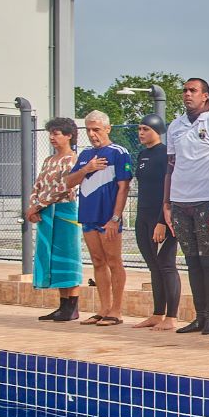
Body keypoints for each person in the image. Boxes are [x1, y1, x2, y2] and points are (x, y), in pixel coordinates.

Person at [164, 77, 209, 335]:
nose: (187, 94)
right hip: (181, 201)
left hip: (208, 200)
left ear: (205, 95)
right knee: (191, 260)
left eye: (192, 90)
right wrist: (167, 203)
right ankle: (199, 315)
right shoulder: (175, 126)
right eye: (184, 90)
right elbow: (170, 168)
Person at [64, 110, 132, 326]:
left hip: (107, 217)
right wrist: (87, 168)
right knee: (97, 261)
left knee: (114, 260)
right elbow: (69, 182)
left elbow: (124, 187)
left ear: (108, 129)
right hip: (88, 216)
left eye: (97, 129)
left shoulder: (118, 153)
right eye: (89, 130)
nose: (93, 134)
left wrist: (115, 217)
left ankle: (116, 310)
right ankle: (103, 308)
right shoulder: (85, 155)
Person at [27, 117, 83, 322]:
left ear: (68, 136)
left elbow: (63, 188)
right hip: (46, 212)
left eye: (56, 133)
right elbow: (39, 184)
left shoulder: (73, 159)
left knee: (67, 255)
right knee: (51, 256)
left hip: (65, 211)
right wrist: (33, 205)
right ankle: (62, 306)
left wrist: (38, 205)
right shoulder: (49, 160)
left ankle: (73, 305)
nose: (52, 137)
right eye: (51, 133)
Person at [131, 114, 181, 331]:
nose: (141, 133)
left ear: (157, 131)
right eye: (140, 129)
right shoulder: (142, 154)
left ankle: (172, 316)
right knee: (153, 266)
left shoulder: (165, 155)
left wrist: (162, 220)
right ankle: (157, 313)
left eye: (146, 129)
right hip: (143, 216)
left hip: (162, 218)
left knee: (166, 265)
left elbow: (168, 189)